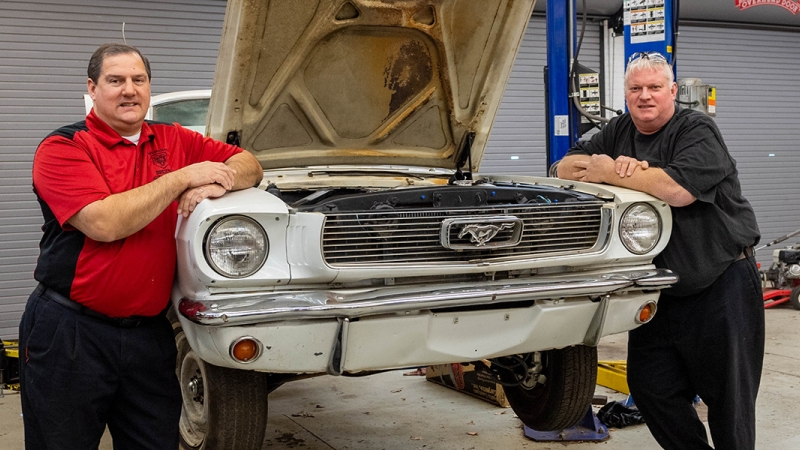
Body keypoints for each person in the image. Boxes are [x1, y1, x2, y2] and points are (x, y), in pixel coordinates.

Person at [19, 43, 263, 449]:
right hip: (71, 334)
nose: (129, 90)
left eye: (139, 80)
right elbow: (105, 223)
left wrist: (215, 180)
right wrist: (183, 178)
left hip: (148, 335)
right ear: (92, 89)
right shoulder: (63, 148)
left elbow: (249, 163)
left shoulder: (172, 138)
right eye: (115, 80)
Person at [557, 52, 764, 450]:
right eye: (636, 89)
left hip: (720, 283)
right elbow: (562, 167)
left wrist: (610, 171)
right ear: (626, 93)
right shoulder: (618, 130)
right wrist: (621, 169)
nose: (645, 96)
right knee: (651, 388)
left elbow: (678, 191)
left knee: (729, 402)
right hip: (657, 288)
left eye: (654, 88)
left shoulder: (696, 130)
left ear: (672, 91)